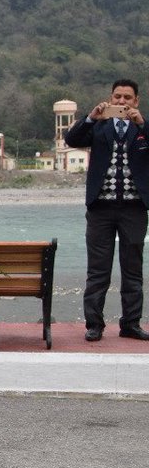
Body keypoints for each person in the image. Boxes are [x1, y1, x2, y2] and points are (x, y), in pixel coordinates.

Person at [63, 80, 149, 342]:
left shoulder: (143, 128)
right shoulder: (99, 126)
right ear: (110, 99)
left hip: (134, 208)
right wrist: (90, 117)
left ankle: (131, 323)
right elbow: (71, 139)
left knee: (132, 269)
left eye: (127, 98)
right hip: (101, 208)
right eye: (117, 97)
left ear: (136, 101)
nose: (122, 102)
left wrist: (142, 124)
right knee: (98, 270)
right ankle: (94, 324)